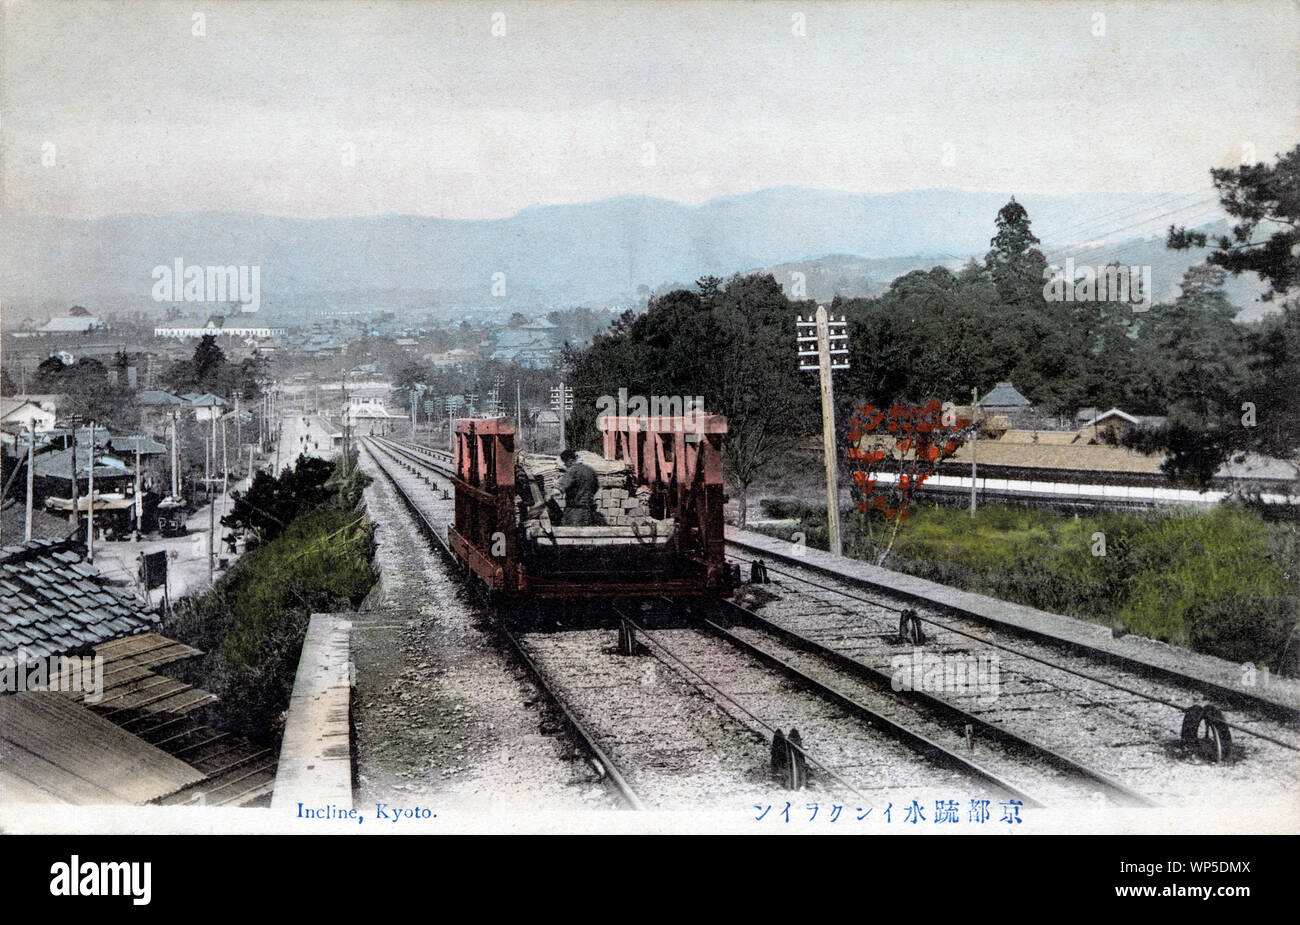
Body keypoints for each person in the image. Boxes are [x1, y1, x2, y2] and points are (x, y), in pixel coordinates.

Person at [554, 447, 599, 526]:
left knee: (571, 535)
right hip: (589, 511)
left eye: (565, 463)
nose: (565, 465)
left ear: (570, 461)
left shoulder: (572, 471)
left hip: (574, 512)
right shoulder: (590, 470)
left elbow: (560, 488)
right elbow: (596, 488)